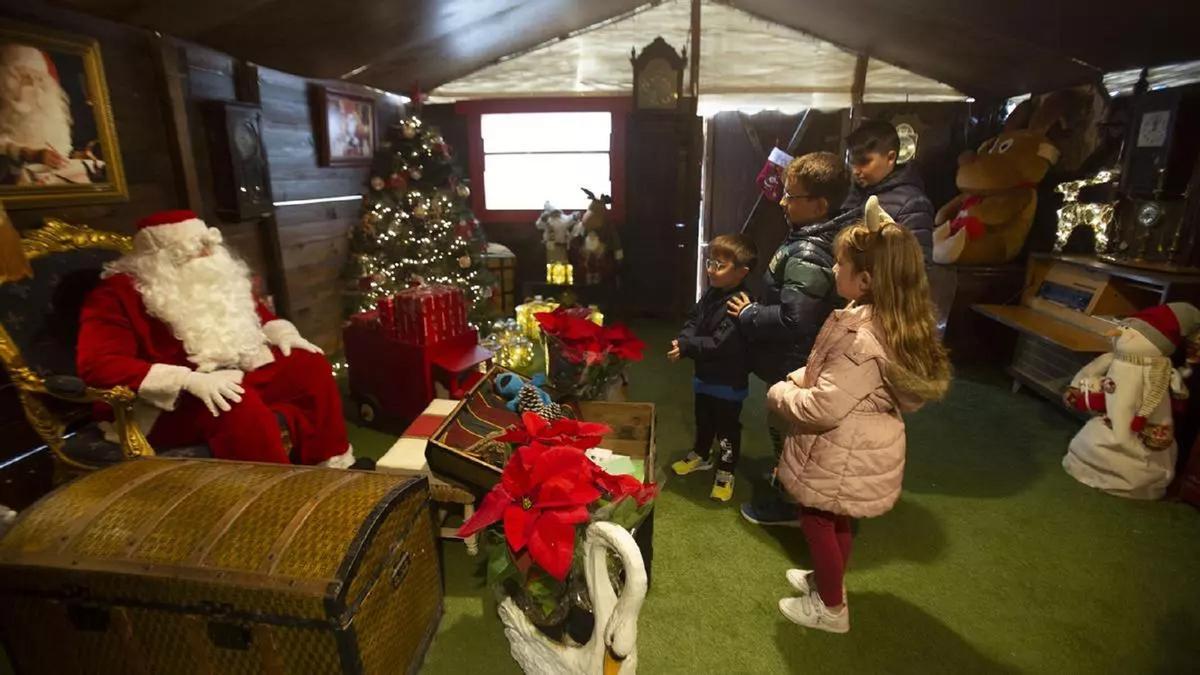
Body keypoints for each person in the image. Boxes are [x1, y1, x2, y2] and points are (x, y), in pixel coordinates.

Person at [770, 196, 951, 634]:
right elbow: (832, 375)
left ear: (866, 279)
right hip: (856, 443)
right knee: (837, 516)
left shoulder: (862, 339)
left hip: (841, 445)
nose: (834, 270)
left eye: (841, 264)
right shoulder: (880, 321)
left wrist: (780, 393)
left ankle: (831, 608)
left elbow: (826, 404)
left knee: (816, 517)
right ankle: (826, 582)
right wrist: (803, 375)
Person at [77, 210, 361, 467]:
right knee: (234, 404)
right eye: (195, 249)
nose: (207, 255)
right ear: (161, 260)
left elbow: (260, 316)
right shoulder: (116, 295)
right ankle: (274, 501)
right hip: (166, 402)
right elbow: (97, 364)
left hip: (236, 372)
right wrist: (187, 380)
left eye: (209, 246)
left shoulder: (215, 275)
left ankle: (333, 467)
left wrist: (283, 333)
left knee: (308, 365)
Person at [727, 151, 847, 526]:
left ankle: (791, 504)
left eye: (792, 196)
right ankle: (787, 484)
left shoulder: (810, 251)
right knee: (785, 428)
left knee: (788, 428)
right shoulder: (810, 237)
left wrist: (750, 314)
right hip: (796, 357)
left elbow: (795, 318)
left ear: (820, 204)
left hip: (796, 360)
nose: (782, 201)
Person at [668, 233, 756, 502]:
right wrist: (684, 340)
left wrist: (687, 347)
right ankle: (702, 454)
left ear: (741, 272)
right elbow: (693, 319)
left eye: (720, 265)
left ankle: (726, 469)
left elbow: (721, 343)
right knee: (703, 419)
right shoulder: (712, 294)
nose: (711, 270)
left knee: (727, 429)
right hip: (705, 375)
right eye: (711, 262)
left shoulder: (740, 302)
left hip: (728, 381)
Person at [837, 119, 936, 259]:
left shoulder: (912, 204)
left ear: (891, 157)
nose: (855, 170)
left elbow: (918, 265)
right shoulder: (851, 194)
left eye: (864, 162)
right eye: (852, 162)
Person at [0, 43, 75, 185]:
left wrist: (65, 156)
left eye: (39, 80)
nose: (34, 86)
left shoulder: (49, 97)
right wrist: (28, 153)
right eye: (25, 78)